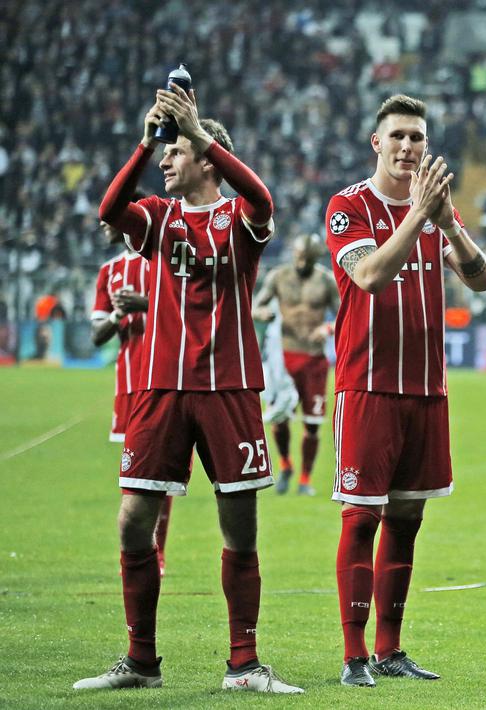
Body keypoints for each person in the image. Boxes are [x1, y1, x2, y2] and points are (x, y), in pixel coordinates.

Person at [76, 82, 302, 694]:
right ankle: (141, 661)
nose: (167, 161)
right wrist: (146, 143)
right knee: (133, 523)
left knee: (240, 527)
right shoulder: (156, 217)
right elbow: (108, 208)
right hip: (160, 388)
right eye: (166, 152)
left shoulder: (239, 220)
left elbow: (261, 195)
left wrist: (197, 130)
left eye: (176, 152)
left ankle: (245, 665)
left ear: (206, 157)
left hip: (229, 388)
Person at [325, 94, 486, 688]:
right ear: (377, 143)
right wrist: (420, 217)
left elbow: (481, 280)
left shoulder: (436, 209)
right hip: (368, 386)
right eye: (397, 136)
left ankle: (390, 649)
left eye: (417, 138)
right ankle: (353, 655)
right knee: (361, 516)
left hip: (426, 389)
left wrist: (447, 223)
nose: (407, 147)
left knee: (407, 517)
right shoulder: (349, 206)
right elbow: (368, 275)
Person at [91, 212, 178, 576]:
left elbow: (192, 307)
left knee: (165, 473)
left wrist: (145, 304)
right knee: (136, 474)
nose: (102, 222)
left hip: (168, 379)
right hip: (129, 386)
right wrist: (116, 316)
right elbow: (96, 335)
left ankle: (156, 551)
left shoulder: (164, 260)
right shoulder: (108, 272)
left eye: (109, 215)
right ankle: (141, 549)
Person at [253, 234, 339, 495]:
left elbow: (344, 315)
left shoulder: (326, 281)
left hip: (313, 359)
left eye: (307, 258)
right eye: (299, 256)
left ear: (316, 257)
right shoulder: (278, 277)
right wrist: (262, 314)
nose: (302, 261)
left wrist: (327, 328)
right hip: (284, 358)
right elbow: (255, 305)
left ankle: (304, 479)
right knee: (280, 419)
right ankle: (286, 464)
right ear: (293, 253)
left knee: (312, 423)